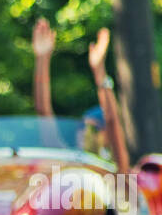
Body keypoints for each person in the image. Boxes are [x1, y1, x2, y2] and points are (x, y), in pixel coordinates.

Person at [31, 16, 131, 170]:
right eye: (82, 127)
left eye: (94, 128)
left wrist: (100, 72)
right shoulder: (71, 163)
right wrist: (42, 59)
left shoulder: (116, 169)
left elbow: (112, 120)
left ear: (107, 136)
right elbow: (43, 111)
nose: (85, 133)